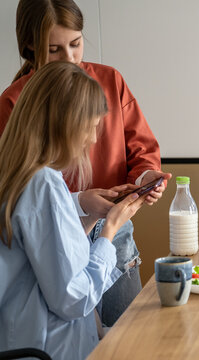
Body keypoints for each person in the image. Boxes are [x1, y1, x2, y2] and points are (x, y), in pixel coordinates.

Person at [0, 0, 172, 326]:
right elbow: (72, 298)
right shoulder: (14, 104)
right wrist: (84, 207)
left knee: (121, 335)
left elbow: (143, 150)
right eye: (54, 50)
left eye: (76, 45)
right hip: (67, 236)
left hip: (105, 228)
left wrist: (143, 179)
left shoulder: (109, 82)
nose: (69, 59)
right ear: (30, 48)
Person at [0, 61, 146, 359]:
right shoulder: (42, 184)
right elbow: (72, 298)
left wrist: (91, 217)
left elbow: (48, 260)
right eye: (91, 127)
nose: (93, 139)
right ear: (64, 124)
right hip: (50, 349)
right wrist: (110, 231)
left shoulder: (20, 175)